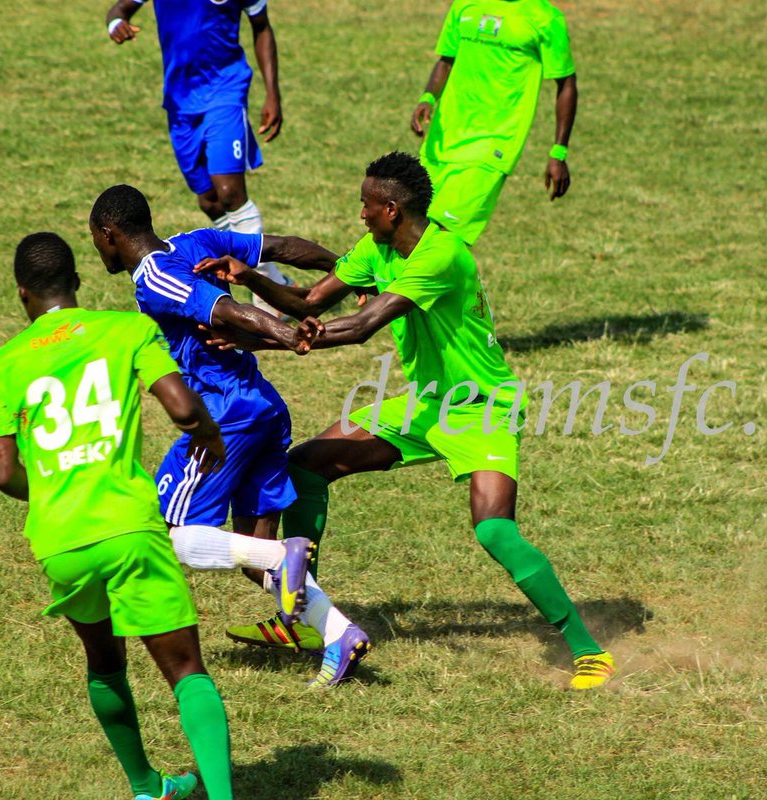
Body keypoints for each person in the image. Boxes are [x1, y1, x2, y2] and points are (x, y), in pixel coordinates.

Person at [197, 152, 616, 690]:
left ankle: (588, 650)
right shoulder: (376, 249)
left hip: (481, 408)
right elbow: (309, 301)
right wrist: (250, 277)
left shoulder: (441, 255)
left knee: (494, 530)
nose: (361, 214)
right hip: (425, 404)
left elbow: (362, 326)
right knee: (305, 467)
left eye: (366, 205)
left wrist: (261, 338)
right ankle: (301, 618)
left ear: (392, 209)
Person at [0, 232, 235, 799]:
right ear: (76, 282)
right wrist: (211, 438)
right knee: (186, 671)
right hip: (128, 527)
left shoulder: (0, 367)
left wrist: (55, 488)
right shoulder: (126, 330)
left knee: (104, 663)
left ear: (22, 294)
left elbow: (3, 473)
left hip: (60, 540)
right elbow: (183, 408)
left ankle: (147, 787)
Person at [88, 185, 372, 687]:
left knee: (170, 534)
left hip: (225, 417)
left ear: (109, 235)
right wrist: (349, 270)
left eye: (95, 239)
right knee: (253, 553)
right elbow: (281, 247)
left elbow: (223, 310)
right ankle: (340, 634)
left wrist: (287, 333)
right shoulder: (194, 241)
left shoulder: (154, 276)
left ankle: (283, 557)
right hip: (263, 408)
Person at [104, 0, 295, 311]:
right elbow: (118, 10)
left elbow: (261, 26)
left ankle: (267, 298)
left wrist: (273, 94)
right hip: (180, 103)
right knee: (210, 201)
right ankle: (277, 281)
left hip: (226, 90)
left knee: (230, 193)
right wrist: (116, 24)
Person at [409, 0, 578, 245]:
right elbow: (446, 60)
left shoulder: (545, 18)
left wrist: (558, 152)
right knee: (409, 225)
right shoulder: (464, 5)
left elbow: (567, 84)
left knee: (443, 236)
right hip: (443, 138)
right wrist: (427, 98)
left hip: (494, 143)